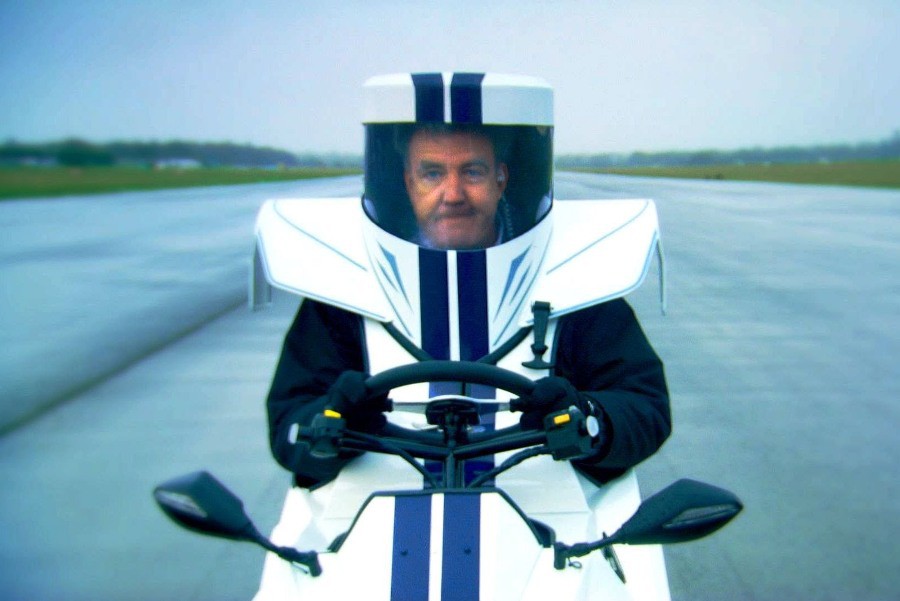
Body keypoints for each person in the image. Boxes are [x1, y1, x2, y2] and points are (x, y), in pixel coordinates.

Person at [266, 123, 671, 489]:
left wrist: (588, 418)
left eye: (472, 172)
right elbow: (288, 425)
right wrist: (333, 422)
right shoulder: (346, 290)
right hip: (365, 518)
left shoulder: (571, 279)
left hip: (551, 518)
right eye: (432, 174)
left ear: (500, 178)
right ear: (409, 182)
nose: (453, 195)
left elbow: (646, 407)